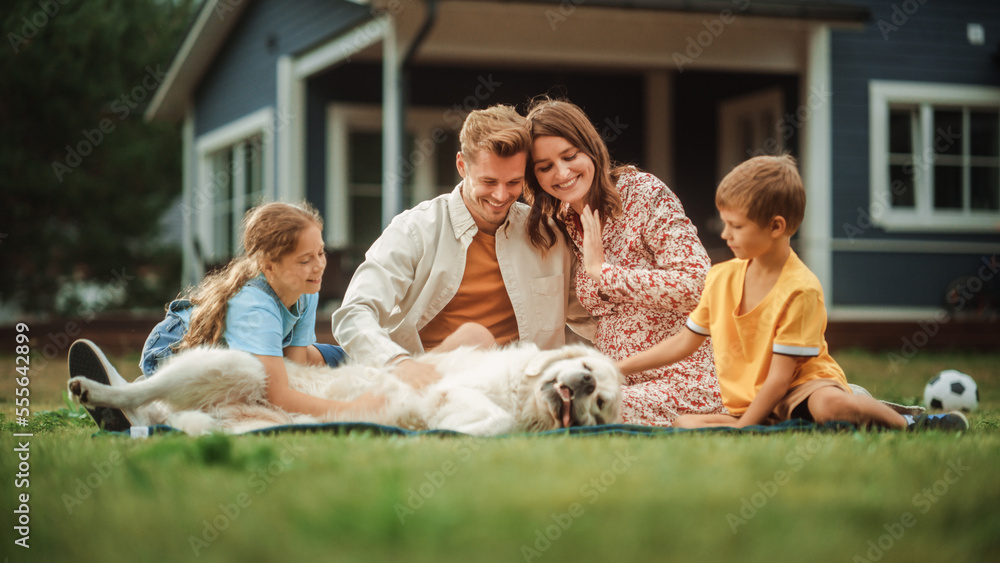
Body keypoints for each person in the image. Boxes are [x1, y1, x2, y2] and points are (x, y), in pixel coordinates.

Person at [618, 155, 968, 431]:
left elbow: (781, 378)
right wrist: (617, 367)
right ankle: (801, 427)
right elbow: (684, 342)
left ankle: (909, 424)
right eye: (725, 223)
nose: (725, 234)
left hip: (803, 389)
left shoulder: (801, 289)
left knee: (830, 406)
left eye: (736, 226)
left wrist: (744, 428)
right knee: (683, 424)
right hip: (750, 399)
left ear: (776, 227)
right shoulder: (721, 277)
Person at [69, 201, 382, 431]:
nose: (318, 266)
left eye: (321, 253)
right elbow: (279, 394)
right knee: (241, 390)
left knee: (338, 358)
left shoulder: (306, 287)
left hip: (242, 351)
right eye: (304, 260)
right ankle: (144, 401)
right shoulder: (256, 307)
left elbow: (296, 369)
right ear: (269, 267)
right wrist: (347, 409)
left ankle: (155, 406)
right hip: (177, 349)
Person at [332, 104, 585, 386]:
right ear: (462, 166)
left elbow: (590, 317)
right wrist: (397, 363)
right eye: (488, 181)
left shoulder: (550, 236)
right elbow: (354, 314)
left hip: (521, 386)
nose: (501, 195)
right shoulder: (415, 231)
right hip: (432, 385)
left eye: (514, 182)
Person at [523, 98, 725, 426]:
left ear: (590, 148)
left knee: (578, 414)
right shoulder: (559, 221)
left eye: (570, 156)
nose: (562, 173)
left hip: (685, 380)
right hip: (616, 380)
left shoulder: (642, 194)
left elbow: (700, 284)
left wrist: (604, 274)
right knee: (547, 403)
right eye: (545, 167)